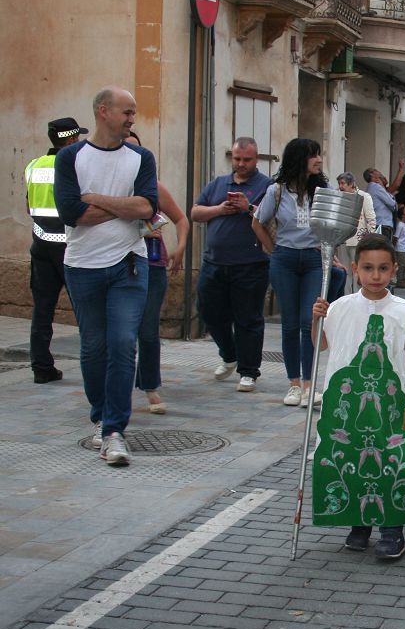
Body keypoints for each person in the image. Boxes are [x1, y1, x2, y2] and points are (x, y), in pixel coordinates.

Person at [310, 234, 405, 559]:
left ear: (393, 270)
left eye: (383, 268)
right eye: (369, 268)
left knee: (394, 461)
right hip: (351, 402)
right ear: (356, 269)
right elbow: (322, 345)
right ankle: (359, 524)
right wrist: (316, 319)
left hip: (392, 401)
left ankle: (392, 528)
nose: (376, 275)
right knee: (352, 457)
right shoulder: (341, 307)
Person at [54, 86, 158, 467]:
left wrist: (94, 197)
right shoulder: (70, 158)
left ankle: (114, 429)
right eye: (127, 112)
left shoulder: (141, 157)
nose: (133, 118)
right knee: (93, 348)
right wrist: (124, 206)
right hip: (82, 266)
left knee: (122, 342)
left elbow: (148, 206)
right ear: (103, 111)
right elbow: (69, 212)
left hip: (129, 264)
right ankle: (101, 415)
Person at [253, 138, 330, 408]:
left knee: (309, 320)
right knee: (289, 323)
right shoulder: (276, 191)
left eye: (319, 155)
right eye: (313, 156)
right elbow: (258, 222)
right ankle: (294, 384)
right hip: (284, 258)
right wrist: (273, 250)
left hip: (312, 259)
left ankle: (310, 385)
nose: (319, 160)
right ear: (299, 159)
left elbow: (330, 227)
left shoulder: (322, 190)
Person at [192, 137, 273, 392]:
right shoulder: (218, 184)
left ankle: (248, 371)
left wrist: (247, 207)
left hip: (251, 263)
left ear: (256, 159)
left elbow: (273, 218)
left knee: (248, 319)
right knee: (207, 310)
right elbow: (194, 213)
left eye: (246, 159)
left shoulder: (267, 186)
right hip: (214, 262)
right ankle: (229, 354)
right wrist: (218, 209)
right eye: (237, 159)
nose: (241, 164)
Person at [124, 131, 190, 414]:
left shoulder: (154, 187)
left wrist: (181, 248)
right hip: (121, 262)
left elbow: (181, 219)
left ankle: (150, 385)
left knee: (148, 329)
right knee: (122, 331)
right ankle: (118, 385)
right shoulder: (111, 188)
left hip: (152, 265)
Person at [25, 117, 88, 383]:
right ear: (72, 140)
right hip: (71, 247)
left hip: (41, 246)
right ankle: (93, 367)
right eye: (78, 139)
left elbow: (28, 207)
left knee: (42, 310)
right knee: (87, 311)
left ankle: (41, 368)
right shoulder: (75, 166)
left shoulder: (33, 165)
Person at [335, 171, 376, 295]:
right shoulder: (338, 196)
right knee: (345, 271)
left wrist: (370, 239)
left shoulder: (364, 196)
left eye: (343, 183)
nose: (340, 186)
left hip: (358, 240)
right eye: (339, 183)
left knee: (358, 271)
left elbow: (371, 219)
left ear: (351, 184)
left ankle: (359, 297)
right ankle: (347, 298)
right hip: (342, 240)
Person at [364, 168, 397, 241]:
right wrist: (382, 187)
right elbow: (392, 203)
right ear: (372, 174)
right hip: (382, 224)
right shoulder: (376, 187)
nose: (379, 172)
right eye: (376, 170)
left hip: (377, 223)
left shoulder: (370, 187)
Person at [394, 219, 405, 288]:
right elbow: (396, 237)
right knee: (401, 266)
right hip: (400, 248)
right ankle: (400, 281)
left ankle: (404, 279)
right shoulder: (400, 225)